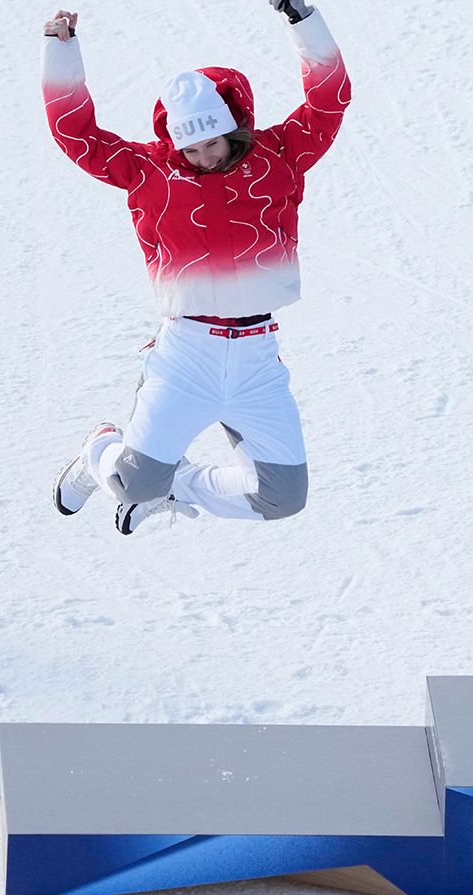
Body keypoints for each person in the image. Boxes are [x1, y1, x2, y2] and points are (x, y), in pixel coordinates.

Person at [39, 0, 350, 534]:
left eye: (212, 144)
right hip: (188, 355)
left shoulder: (278, 157)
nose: (204, 157)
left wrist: (303, 18)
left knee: (282, 497)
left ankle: (174, 482)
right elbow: (79, 138)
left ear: (234, 127)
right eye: (191, 148)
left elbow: (329, 101)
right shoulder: (150, 172)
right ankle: (100, 453)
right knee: (136, 484)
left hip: (257, 358)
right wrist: (60, 50)